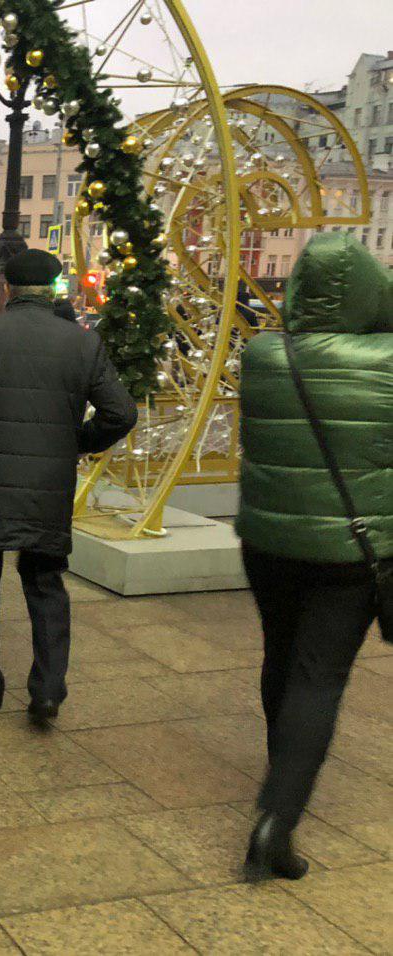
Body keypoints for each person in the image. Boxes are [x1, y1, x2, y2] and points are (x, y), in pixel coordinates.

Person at [235, 232, 393, 880]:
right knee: (318, 676)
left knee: (280, 655)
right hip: (352, 551)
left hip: (267, 541)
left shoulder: (264, 355)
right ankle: (277, 816)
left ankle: (283, 769)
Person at [0, 249, 137, 723]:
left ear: (7, 289)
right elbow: (122, 413)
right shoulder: (83, 343)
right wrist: (77, 442)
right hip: (48, 484)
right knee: (45, 581)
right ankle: (47, 689)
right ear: (53, 290)